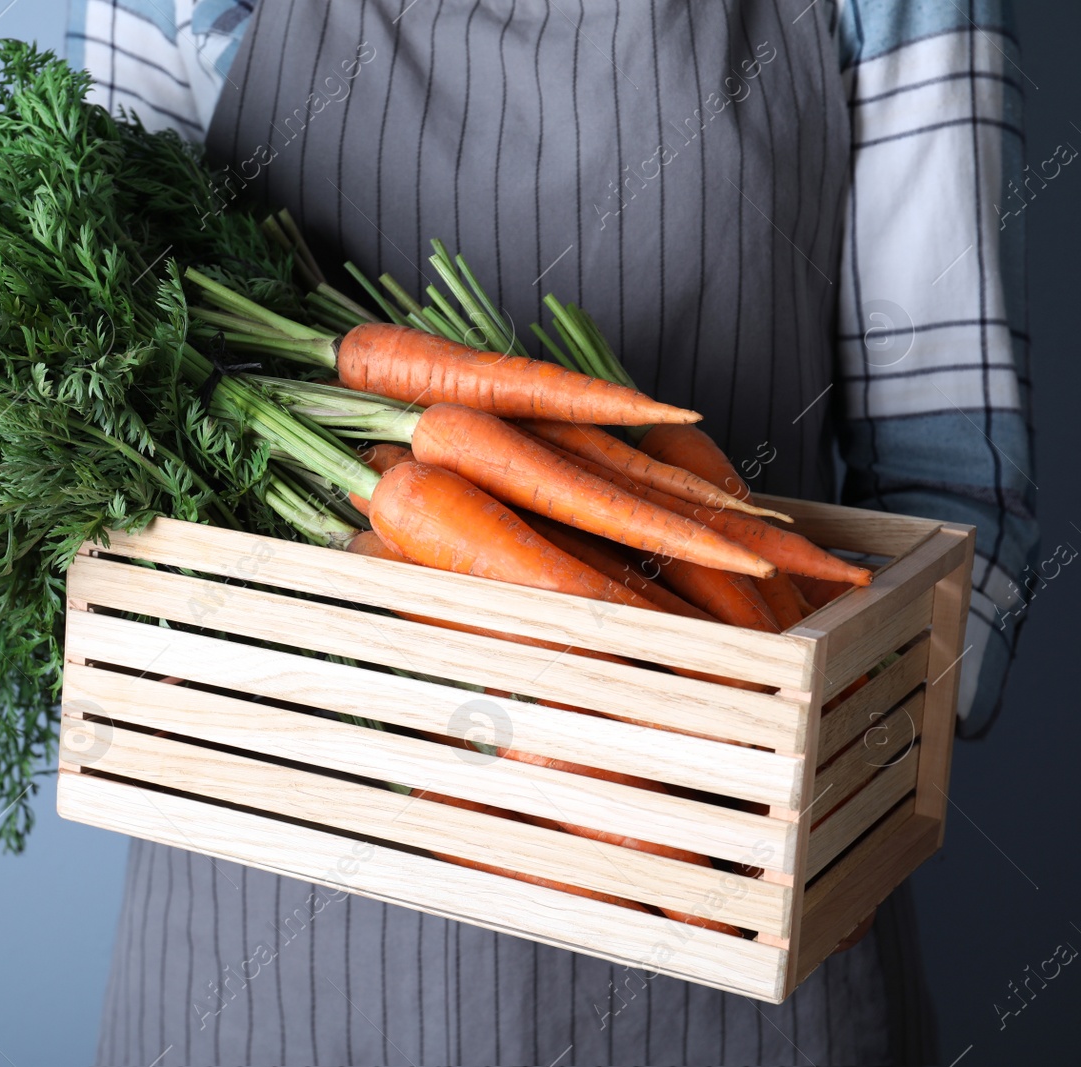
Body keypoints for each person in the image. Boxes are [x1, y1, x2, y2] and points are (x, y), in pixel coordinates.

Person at [67, 2, 1038, 1063]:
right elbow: (96, 422)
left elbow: (960, 503)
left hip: (736, 925)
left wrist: (838, 772)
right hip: (261, 945)